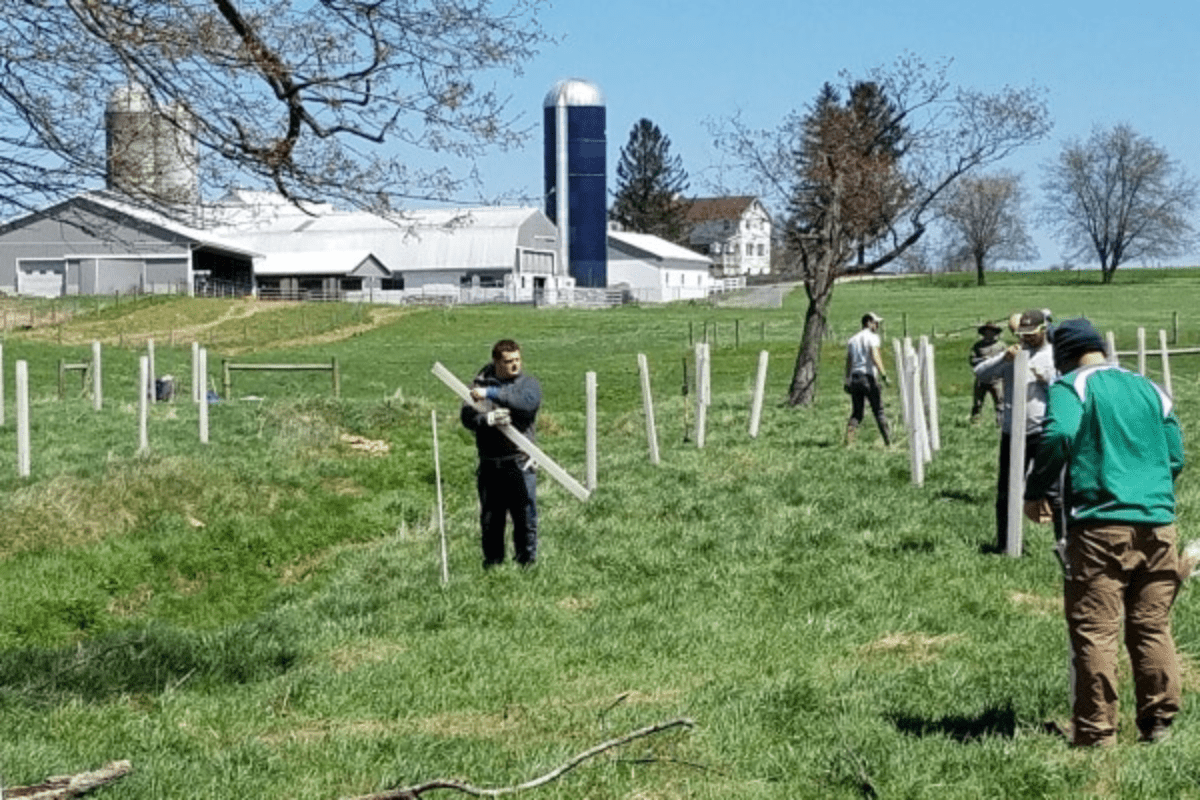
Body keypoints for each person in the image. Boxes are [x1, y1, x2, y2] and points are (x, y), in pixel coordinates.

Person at [1024, 317, 1185, 747]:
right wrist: (1147, 491)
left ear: (1063, 355)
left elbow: (1057, 435)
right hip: (1159, 524)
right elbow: (1176, 455)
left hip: (1099, 525)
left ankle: (1097, 733)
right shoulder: (1150, 388)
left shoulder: (1071, 386)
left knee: (1096, 629)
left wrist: (1036, 488)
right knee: (1152, 625)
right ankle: (1159, 725)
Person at [973, 308, 1062, 552]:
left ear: (1044, 330)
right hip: (1013, 433)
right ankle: (1006, 543)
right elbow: (980, 373)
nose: (1027, 338)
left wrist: (1047, 378)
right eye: (1023, 334)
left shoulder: (1055, 356)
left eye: (1032, 334)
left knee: (1055, 490)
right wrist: (1004, 359)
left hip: (1043, 431)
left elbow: (1066, 385)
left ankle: (1063, 541)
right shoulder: (1013, 354)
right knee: (1006, 490)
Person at [460, 339, 542, 568]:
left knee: (525, 518)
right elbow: (467, 417)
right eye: (508, 361)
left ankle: (527, 564)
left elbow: (526, 403)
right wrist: (486, 419)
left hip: (520, 464)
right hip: (490, 465)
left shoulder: (527, 385)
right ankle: (493, 565)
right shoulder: (478, 386)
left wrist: (491, 393)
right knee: (491, 520)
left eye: (517, 359)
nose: (514, 365)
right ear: (496, 362)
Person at [843, 312, 891, 446]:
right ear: (868, 323)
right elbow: (875, 356)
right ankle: (888, 441)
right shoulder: (872, 338)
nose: (877, 325)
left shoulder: (852, 340)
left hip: (855, 378)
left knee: (857, 413)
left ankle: (849, 441)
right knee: (878, 410)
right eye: (875, 322)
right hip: (868, 378)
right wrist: (884, 374)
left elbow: (849, 362)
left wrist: (847, 380)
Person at [968, 321, 1005, 426]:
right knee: (977, 403)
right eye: (987, 331)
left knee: (1000, 403)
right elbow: (972, 360)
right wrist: (982, 360)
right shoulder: (978, 346)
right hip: (981, 378)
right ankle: (975, 422)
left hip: (997, 379)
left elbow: (1007, 360)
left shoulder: (1001, 346)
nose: (989, 333)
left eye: (992, 331)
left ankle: (1000, 423)